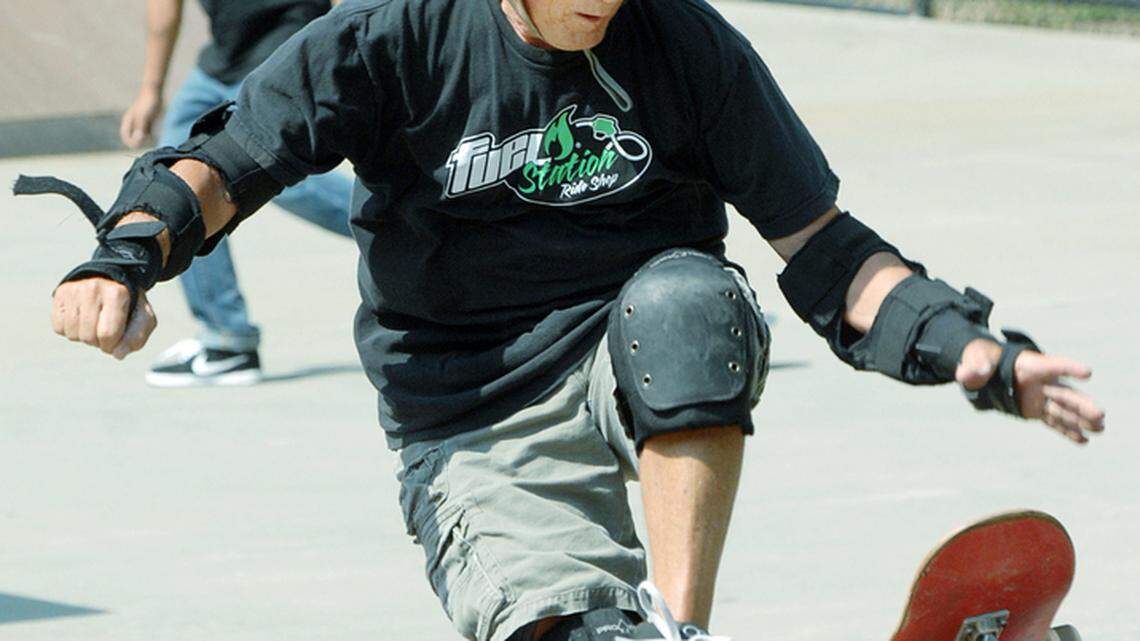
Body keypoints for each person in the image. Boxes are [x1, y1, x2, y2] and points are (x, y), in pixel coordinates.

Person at [27, 0, 1107, 639]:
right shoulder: (393, 33)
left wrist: (977, 353)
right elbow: (225, 158)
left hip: (632, 345)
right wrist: (126, 256)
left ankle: (683, 626)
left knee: (689, 301)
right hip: (468, 405)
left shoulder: (682, 41)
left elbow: (824, 247)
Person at [119, 0, 353, 387]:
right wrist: (149, 90)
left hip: (284, 50)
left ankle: (415, 221)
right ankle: (226, 339)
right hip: (222, 63)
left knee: (269, 173)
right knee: (179, 175)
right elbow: (164, 8)